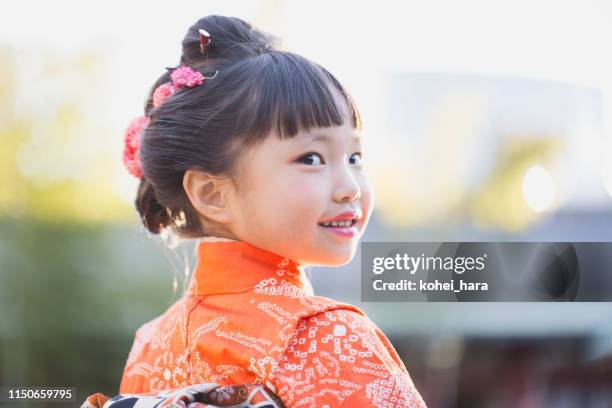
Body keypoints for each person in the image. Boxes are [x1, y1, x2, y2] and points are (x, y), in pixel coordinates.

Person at [100, 14, 427, 407]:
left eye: (355, 156)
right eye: (311, 158)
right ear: (212, 193)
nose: (350, 187)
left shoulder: (149, 348)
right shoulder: (327, 338)